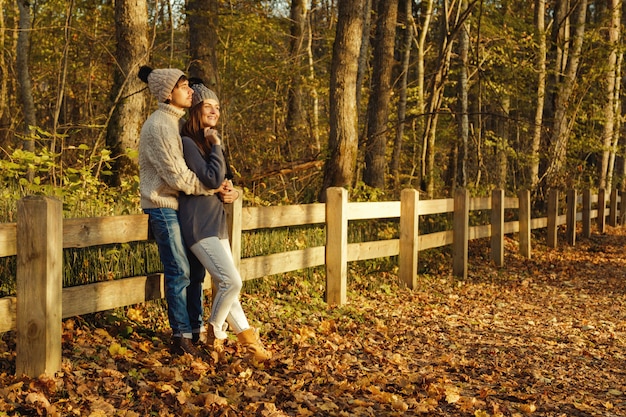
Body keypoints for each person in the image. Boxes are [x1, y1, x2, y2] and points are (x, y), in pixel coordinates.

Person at [179, 81, 272, 364]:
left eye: (218, 107)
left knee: (227, 286)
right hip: (198, 222)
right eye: (208, 106)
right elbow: (210, 179)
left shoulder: (208, 145)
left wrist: (232, 191)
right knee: (232, 281)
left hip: (215, 221)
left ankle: (250, 344)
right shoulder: (187, 142)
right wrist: (217, 146)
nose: (214, 111)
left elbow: (222, 178)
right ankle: (215, 332)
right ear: (196, 109)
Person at [137, 66, 216, 357]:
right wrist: (213, 188)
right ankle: (180, 337)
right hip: (162, 206)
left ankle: (195, 333)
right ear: (168, 94)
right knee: (179, 270)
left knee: (196, 270)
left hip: (181, 206)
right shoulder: (159, 126)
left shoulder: (176, 123)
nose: (190, 91)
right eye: (183, 87)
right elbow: (178, 177)